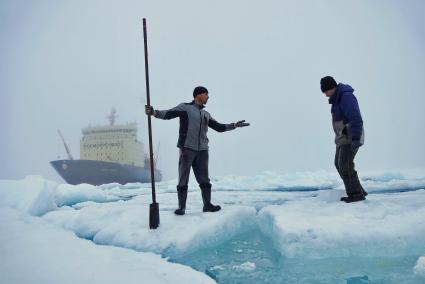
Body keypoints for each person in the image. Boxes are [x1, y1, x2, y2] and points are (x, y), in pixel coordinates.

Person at [145, 86, 249, 215]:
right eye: (206, 94)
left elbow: (219, 128)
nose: (208, 97)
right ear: (198, 95)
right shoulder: (185, 107)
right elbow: (168, 114)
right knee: (183, 178)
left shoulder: (206, 114)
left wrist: (234, 125)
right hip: (187, 148)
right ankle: (181, 207)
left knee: (204, 179)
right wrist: (153, 112)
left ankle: (207, 205)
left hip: (203, 150)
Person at [320, 76, 368, 203]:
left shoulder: (345, 97)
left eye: (325, 91)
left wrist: (356, 137)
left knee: (345, 166)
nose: (325, 95)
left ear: (332, 87)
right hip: (342, 137)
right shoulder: (336, 99)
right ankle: (358, 190)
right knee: (339, 164)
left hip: (350, 136)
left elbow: (356, 117)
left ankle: (356, 195)